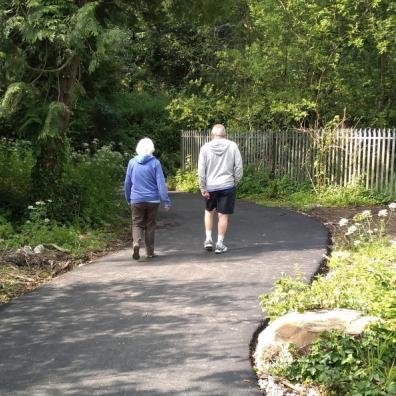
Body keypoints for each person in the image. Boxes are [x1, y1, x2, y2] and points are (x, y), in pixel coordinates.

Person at [198, 124, 243, 254]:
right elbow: (239, 167)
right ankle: (220, 244)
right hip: (227, 185)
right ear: (225, 134)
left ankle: (208, 240)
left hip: (210, 186)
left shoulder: (205, 148)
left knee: (208, 211)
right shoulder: (232, 146)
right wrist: (235, 181)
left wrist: (203, 187)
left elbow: (201, 170)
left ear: (212, 135)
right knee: (223, 215)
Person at [124, 138, 171, 260]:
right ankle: (150, 252)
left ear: (138, 148)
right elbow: (161, 183)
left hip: (136, 199)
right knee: (150, 225)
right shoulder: (155, 163)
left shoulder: (132, 162)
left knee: (137, 224)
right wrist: (166, 200)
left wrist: (128, 198)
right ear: (151, 149)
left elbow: (127, 183)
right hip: (152, 200)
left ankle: (136, 243)